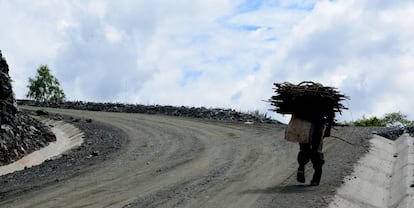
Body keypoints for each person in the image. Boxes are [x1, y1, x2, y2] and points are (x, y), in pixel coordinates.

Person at [296, 112, 333, 186]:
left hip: (304, 123)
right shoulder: (324, 102)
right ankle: (316, 178)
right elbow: (330, 112)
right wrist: (328, 127)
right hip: (317, 124)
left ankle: (301, 168)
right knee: (316, 150)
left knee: (304, 148)